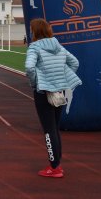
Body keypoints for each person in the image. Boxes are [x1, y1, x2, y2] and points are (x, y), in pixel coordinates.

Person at [25, 18, 81, 178]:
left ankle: (54, 167)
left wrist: (35, 82)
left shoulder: (34, 47)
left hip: (43, 92)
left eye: (31, 29)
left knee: (48, 130)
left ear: (35, 31)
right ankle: (57, 163)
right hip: (59, 91)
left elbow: (29, 67)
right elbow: (75, 63)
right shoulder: (58, 46)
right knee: (55, 128)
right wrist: (62, 77)